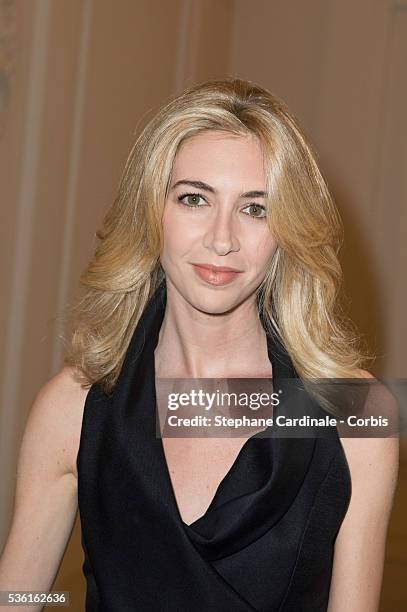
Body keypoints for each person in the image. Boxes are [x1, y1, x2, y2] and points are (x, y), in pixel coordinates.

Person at [0, 78, 399, 611]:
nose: (222, 239)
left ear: (287, 231)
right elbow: (18, 597)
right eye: (194, 199)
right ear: (151, 212)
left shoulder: (355, 414)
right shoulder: (71, 408)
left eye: (255, 209)